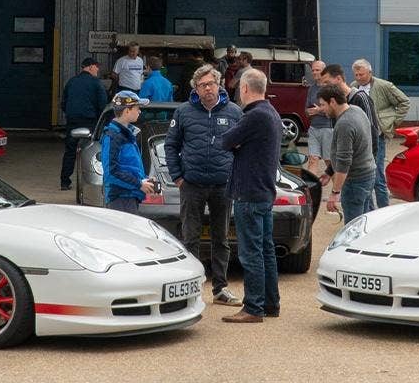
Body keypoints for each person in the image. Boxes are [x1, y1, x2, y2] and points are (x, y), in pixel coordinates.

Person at [166, 64, 244, 306]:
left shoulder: (234, 112)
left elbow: (243, 147)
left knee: (221, 239)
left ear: (219, 84)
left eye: (211, 83)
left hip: (223, 185)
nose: (207, 88)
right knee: (190, 237)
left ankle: (220, 289)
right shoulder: (183, 112)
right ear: (195, 89)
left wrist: (236, 176)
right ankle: (191, 288)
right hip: (192, 184)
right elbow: (171, 145)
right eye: (202, 85)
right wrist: (178, 176)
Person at [219, 69, 283, 323]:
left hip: (249, 192)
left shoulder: (254, 116)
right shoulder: (271, 113)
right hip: (263, 190)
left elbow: (225, 141)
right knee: (266, 249)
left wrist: (237, 143)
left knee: (251, 252)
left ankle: (253, 307)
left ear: (245, 88)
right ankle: (270, 302)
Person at [352, 59, 411, 208]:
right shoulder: (353, 87)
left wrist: (392, 122)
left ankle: (384, 210)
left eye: (362, 74)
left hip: (377, 135)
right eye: (356, 74)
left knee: (378, 176)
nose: (359, 77)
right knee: (365, 175)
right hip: (361, 136)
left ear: (370, 73)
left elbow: (404, 102)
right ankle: (370, 210)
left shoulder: (384, 86)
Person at [316, 85, 377, 222]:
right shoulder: (357, 110)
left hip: (355, 182)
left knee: (352, 228)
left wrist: (335, 192)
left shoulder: (345, 123)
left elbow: (344, 161)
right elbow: (349, 151)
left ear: (332, 101)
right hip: (368, 175)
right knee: (365, 223)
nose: (321, 109)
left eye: (323, 105)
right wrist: (329, 172)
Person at [322, 64, 380, 187]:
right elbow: (340, 146)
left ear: (338, 79)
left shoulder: (359, 98)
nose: (324, 86)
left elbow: (372, 133)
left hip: (363, 170)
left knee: (377, 186)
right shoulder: (335, 107)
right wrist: (329, 172)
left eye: (327, 82)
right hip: (350, 170)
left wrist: (368, 168)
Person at [101, 91, 158, 213]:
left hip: (129, 197)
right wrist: (138, 183)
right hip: (120, 199)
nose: (140, 111)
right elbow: (111, 172)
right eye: (137, 108)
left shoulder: (127, 134)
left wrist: (144, 180)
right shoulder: (113, 136)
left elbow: (129, 167)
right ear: (127, 110)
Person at [60, 57, 108, 191]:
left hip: (72, 122)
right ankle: (90, 180)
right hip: (90, 123)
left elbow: (63, 103)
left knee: (70, 151)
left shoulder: (71, 82)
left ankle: (64, 181)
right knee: (90, 151)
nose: (98, 69)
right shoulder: (96, 83)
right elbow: (103, 105)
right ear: (90, 67)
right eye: (96, 67)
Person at [304, 61, 332, 175]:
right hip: (314, 128)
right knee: (312, 159)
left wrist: (319, 110)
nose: (314, 72)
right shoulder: (311, 89)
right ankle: (312, 191)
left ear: (324, 72)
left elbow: (336, 111)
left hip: (328, 129)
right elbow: (306, 109)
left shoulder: (331, 88)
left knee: (329, 162)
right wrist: (308, 112)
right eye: (313, 70)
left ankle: (338, 191)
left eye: (317, 70)